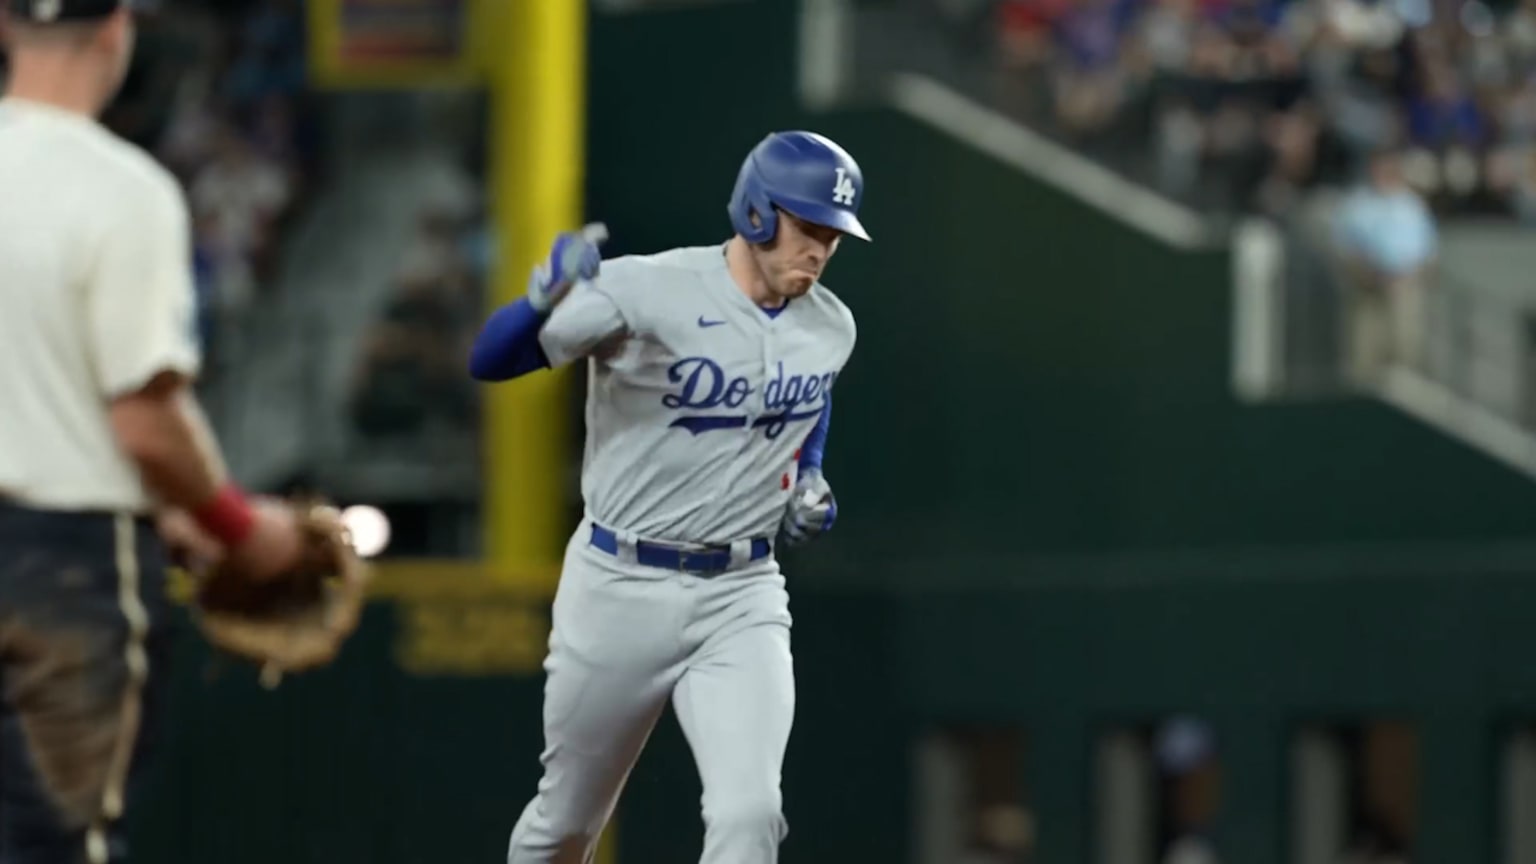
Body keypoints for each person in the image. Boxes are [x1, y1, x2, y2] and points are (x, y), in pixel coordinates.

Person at [469, 130, 869, 863]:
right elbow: (492, 361)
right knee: (566, 823)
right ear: (756, 212)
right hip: (619, 582)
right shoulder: (646, 290)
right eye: (807, 227)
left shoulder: (830, 327)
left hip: (742, 594)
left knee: (751, 813)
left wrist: (811, 476)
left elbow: (812, 404)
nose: (819, 248)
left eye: (833, 234)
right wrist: (537, 300)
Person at [0, 1, 310, 861]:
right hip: (60, 563)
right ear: (115, 31)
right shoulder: (122, 189)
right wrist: (240, 530)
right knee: (55, 846)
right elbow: (142, 423)